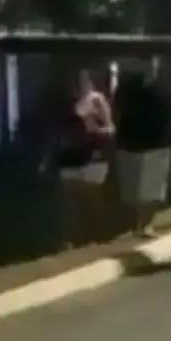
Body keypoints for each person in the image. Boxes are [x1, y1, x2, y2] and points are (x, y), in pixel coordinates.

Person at [114, 56, 171, 239]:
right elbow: (116, 113)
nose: (148, 66)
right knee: (131, 192)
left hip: (159, 145)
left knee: (153, 191)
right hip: (129, 144)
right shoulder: (126, 88)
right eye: (144, 62)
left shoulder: (167, 89)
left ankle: (145, 226)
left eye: (151, 61)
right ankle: (135, 226)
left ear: (157, 64)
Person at [44, 69, 115, 247]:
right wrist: (48, 157)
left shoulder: (96, 100)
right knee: (72, 203)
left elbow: (110, 129)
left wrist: (95, 131)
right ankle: (75, 240)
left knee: (92, 201)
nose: (76, 84)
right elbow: (57, 133)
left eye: (80, 80)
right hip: (70, 158)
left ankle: (93, 238)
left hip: (93, 159)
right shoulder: (64, 103)